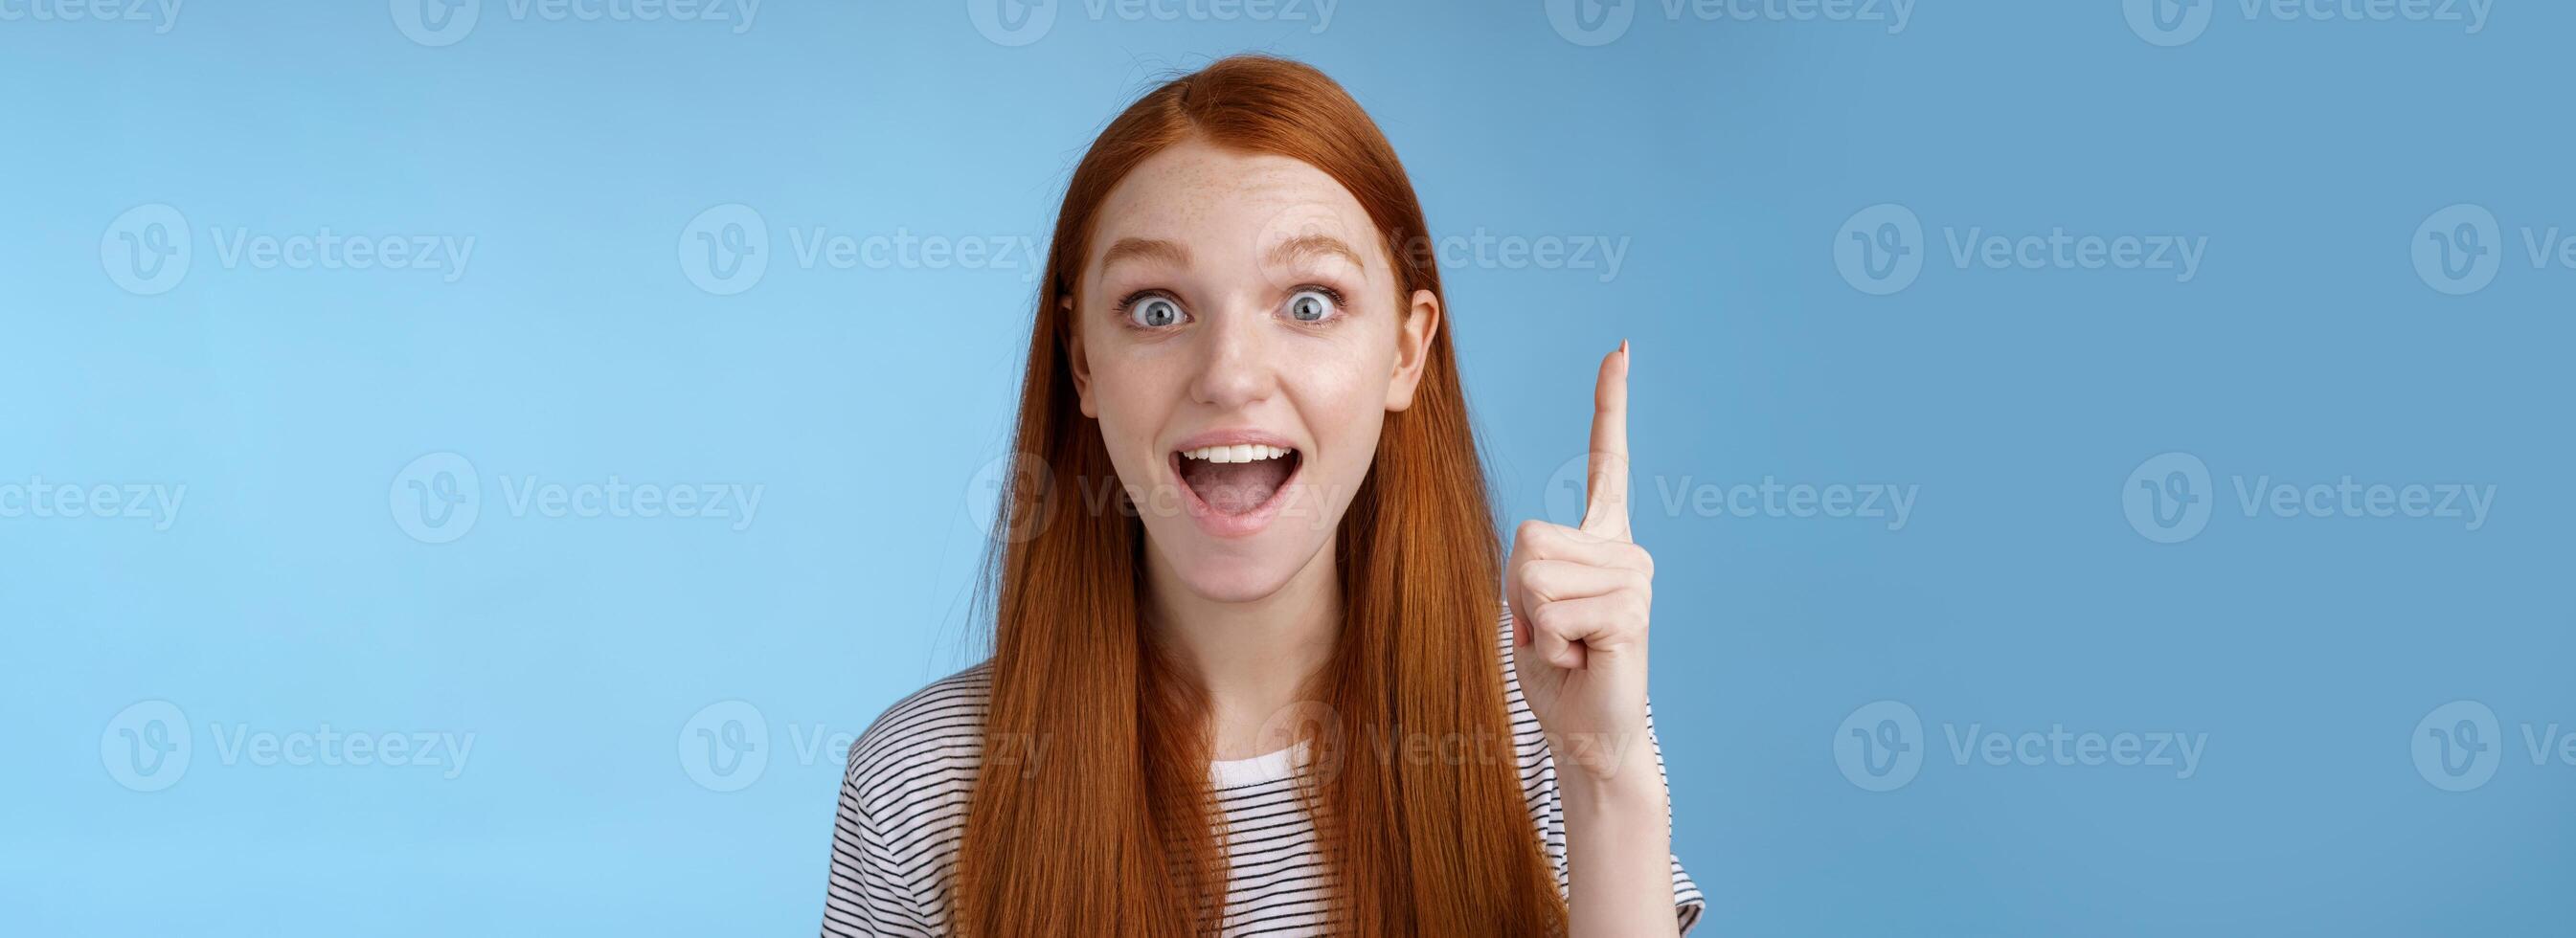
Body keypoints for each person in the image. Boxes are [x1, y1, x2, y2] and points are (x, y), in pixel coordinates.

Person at [821, 55, 1701, 937]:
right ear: (1081, 359)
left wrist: (1605, 777)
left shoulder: (1541, 717)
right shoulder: (921, 783)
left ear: (1405, 352)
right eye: (1156, 309)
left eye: (1309, 304)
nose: (1230, 376)